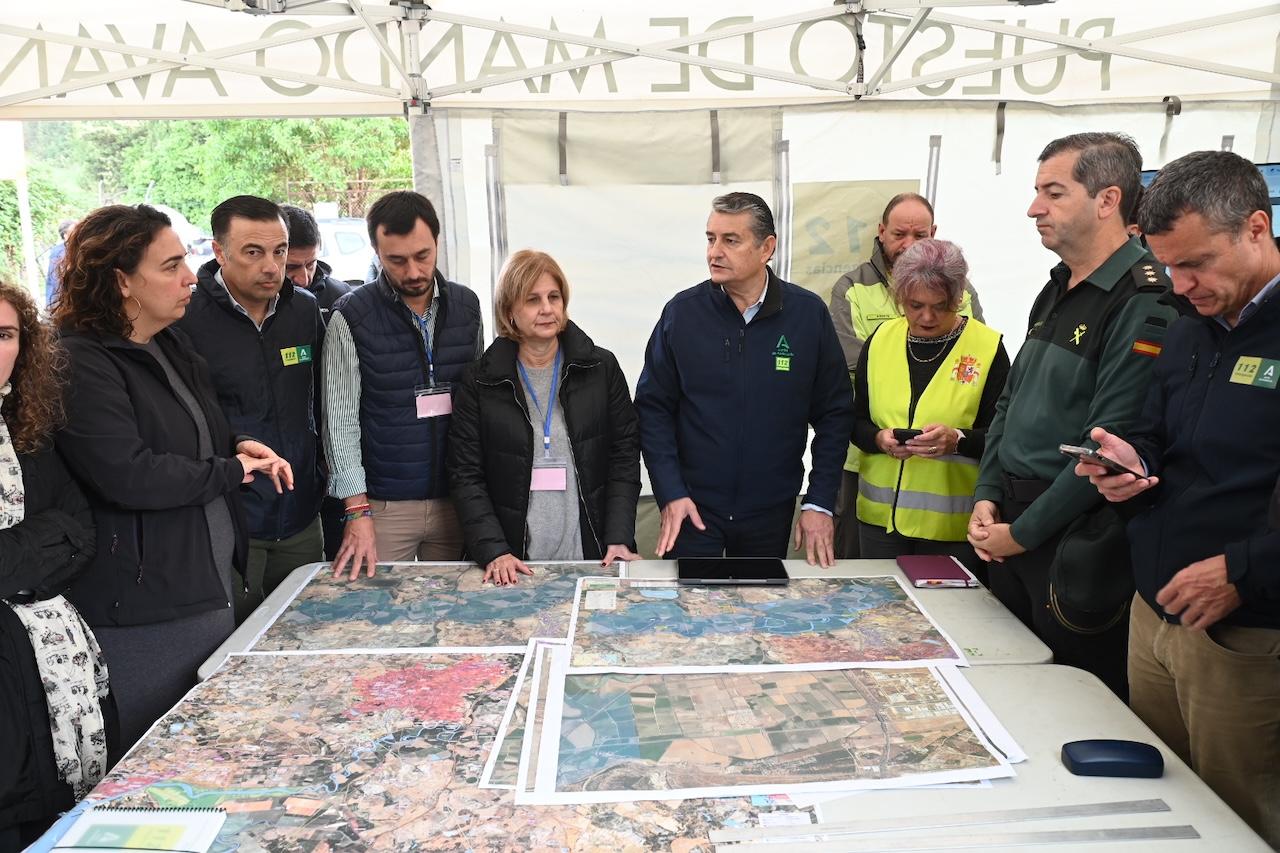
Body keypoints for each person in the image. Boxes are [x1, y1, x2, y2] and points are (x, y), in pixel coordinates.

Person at [1076, 150, 1280, 846]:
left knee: (1238, 814)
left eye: (1196, 263)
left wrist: (1243, 572)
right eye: (1167, 265)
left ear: (1257, 226)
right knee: (1160, 804)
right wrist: (1132, 460)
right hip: (1154, 606)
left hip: (1243, 629)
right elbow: (1159, 429)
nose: (1181, 284)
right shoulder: (1192, 320)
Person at [52, 204, 293, 755]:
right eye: (170, 266)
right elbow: (129, 475)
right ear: (121, 282)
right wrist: (231, 470)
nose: (189, 277)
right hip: (145, 605)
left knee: (209, 747)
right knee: (158, 760)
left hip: (201, 585)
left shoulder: (168, 341)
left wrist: (234, 444)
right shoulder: (80, 361)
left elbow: (194, 431)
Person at [966, 132, 1178, 699]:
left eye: (1053, 193)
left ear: (1107, 200)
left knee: (1072, 704)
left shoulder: (1142, 300)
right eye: (1038, 192)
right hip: (1009, 527)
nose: (1035, 208)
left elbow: (1106, 445)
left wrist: (1023, 534)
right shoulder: (1056, 287)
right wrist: (986, 494)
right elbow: (1010, 402)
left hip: (1069, 541)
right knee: (1008, 697)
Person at [635, 192, 854, 566]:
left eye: (730, 240)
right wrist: (670, 491)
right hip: (692, 510)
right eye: (710, 238)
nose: (714, 252)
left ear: (767, 248)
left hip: (770, 511)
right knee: (690, 617)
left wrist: (819, 501)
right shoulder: (682, 314)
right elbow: (652, 409)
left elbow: (834, 414)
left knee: (760, 617)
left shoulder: (807, 315)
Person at [449, 250, 641, 585]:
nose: (547, 309)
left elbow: (623, 456)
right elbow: (466, 474)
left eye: (554, 297)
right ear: (510, 311)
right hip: (512, 562)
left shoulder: (600, 368)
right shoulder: (479, 381)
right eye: (532, 300)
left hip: (594, 554)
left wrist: (619, 537)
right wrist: (494, 549)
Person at [0, 281, 112, 849]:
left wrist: (18, 552)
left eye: (4, 334)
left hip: (59, 660)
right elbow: (58, 534)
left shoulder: (29, 432)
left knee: (60, 816)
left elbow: (82, 532)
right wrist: (40, 541)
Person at [179, 196, 326, 623]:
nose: (271, 266)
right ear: (219, 251)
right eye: (253, 252)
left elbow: (322, 400)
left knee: (305, 628)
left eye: (279, 251)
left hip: (300, 511)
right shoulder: (186, 319)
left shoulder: (303, 310)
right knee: (233, 641)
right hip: (230, 515)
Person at [324, 191, 483, 578]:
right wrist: (356, 509)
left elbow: (480, 402)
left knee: (453, 613)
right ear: (377, 252)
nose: (412, 271)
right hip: (383, 505)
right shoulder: (351, 316)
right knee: (379, 614)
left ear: (437, 243)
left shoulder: (467, 306)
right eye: (397, 260)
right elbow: (339, 420)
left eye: (422, 256)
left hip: (455, 500)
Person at [829, 194, 986, 559]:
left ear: (934, 233)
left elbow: (978, 357)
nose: (908, 244)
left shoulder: (963, 290)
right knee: (858, 561)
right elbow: (850, 363)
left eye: (920, 235)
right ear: (881, 232)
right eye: (900, 234)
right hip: (868, 461)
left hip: (946, 472)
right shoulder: (852, 289)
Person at [852, 239, 1008, 571]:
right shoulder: (879, 340)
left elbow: (1002, 435)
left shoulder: (987, 348)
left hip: (952, 531)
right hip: (880, 525)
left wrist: (959, 440)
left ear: (959, 297)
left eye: (940, 305)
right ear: (899, 297)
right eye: (914, 305)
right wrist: (878, 439)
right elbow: (854, 421)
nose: (926, 317)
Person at [280, 206, 351, 562]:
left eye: (311, 264)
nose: (305, 277)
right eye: (293, 267)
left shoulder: (340, 299)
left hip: (334, 459)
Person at [281, 204, 353, 321]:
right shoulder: (252, 301)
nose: (304, 280)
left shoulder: (341, 296)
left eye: (310, 264)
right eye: (291, 267)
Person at [45, 219, 75, 308]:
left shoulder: (74, 249)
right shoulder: (59, 252)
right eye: (74, 231)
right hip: (59, 303)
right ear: (65, 235)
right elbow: (57, 280)